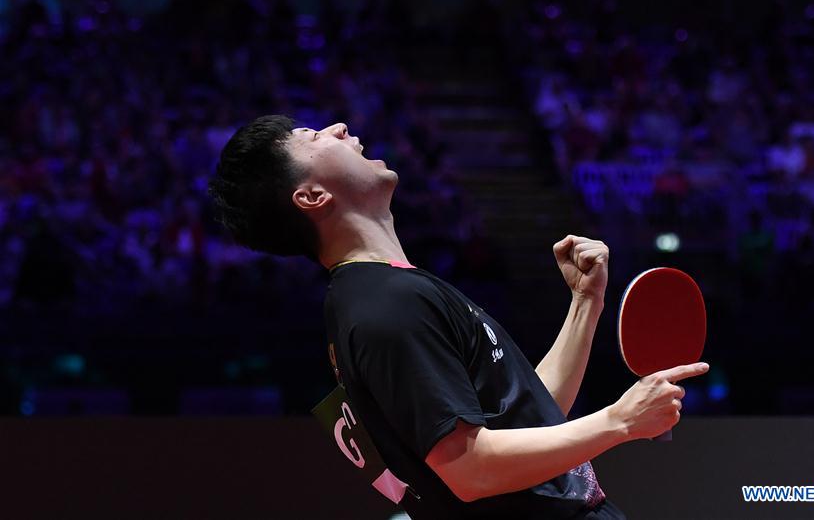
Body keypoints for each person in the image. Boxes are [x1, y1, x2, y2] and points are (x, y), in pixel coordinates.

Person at [207, 115, 710, 519]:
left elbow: (525, 413)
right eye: (314, 136)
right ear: (312, 197)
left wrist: (585, 303)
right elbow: (470, 470)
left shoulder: (390, 291)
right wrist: (620, 422)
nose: (339, 128)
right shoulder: (384, 308)